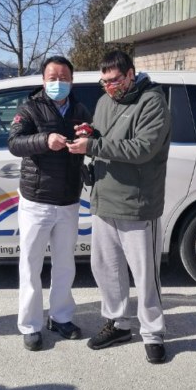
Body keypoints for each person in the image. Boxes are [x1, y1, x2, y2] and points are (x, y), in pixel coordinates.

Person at [67, 50, 171, 364]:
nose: (110, 86)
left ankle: (152, 333)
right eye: (105, 81)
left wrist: (94, 145)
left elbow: (143, 148)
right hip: (104, 199)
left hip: (138, 203)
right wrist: (89, 135)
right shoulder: (104, 102)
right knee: (106, 268)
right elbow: (103, 136)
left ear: (130, 74)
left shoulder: (152, 102)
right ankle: (119, 323)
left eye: (115, 80)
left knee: (145, 273)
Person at [8, 56, 92, 352]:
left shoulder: (80, 109)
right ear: (43, 80)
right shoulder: (29, 108)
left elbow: (90, 141)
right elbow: (15, 143)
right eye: (53, 77)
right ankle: (30, 325)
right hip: (37, 200)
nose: (58, 82)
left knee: (65, 264)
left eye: (64, 77)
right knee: (30, 265)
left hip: (69, 199)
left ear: (72, 79)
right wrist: (45, 140)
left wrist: (87, 136)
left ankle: (60, 317)